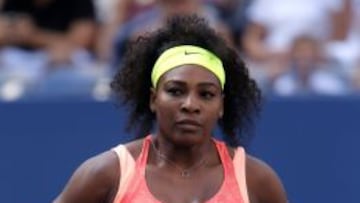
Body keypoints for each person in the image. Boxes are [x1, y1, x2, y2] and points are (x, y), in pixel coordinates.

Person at [53, 15, 287, 203]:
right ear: (154, 99)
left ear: (221, 106)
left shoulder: (256, 180)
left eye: (206, 94)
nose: (190, 105)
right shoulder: (106, 173)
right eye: (176, 91)